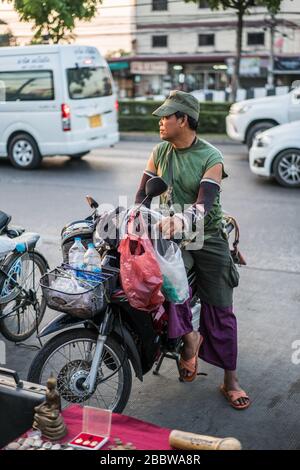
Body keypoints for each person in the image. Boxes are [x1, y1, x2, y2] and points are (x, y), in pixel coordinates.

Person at [134, 90, 250, 410]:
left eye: (166, 116)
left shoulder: (211, 157)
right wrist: (129, 219)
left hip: (207, 236)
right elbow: (141, 198)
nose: (160, 122)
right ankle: (189, 340)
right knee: (165, 286)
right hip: (173, 238)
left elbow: (204, 204)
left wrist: (181, 220)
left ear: (183, 120)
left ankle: (230, 380)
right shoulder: (159, 151)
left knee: (221, 308)